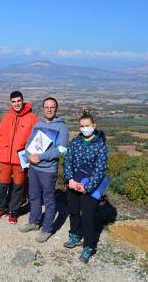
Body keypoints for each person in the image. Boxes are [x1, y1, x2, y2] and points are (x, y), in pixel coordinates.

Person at [18, 97, 69, 243]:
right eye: (46, 107)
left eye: (52, 107)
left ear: (56, 109)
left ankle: (46, 229)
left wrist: (40, 157)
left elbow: (61, 149)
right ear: (43, 108)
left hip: (48, 169)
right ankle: (34, 222)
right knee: (33, 196)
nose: (49, 109)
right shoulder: (38, 125)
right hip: (34, 168)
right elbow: (28, 143)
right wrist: (29, 156)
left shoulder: (62, 128)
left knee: (49, 200)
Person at [63, 109, 108, 264]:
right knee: (74, 212)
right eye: (82, 126)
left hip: (90, 187)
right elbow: (68, 160)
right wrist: (69, 179)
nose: (84, 128)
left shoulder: (100, 144)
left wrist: (87, 187)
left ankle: (89, 245)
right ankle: (74, 235)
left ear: (94, 125)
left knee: (88, 218)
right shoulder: (75, 141)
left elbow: (101, 169)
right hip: (73, 184)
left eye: (87, 125)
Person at [0, 91, 38, 224]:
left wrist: (29, 154)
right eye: (14, 101)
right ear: (10, 103)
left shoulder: (32, 118)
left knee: (18, 186)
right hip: (5, 158)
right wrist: (0, 149)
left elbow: (36, 139)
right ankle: (1, 208)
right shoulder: (6, 117)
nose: (17, 104)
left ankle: (13, 211)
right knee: (1, 185)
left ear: (23, 100)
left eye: (19, 101)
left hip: (21, 160)